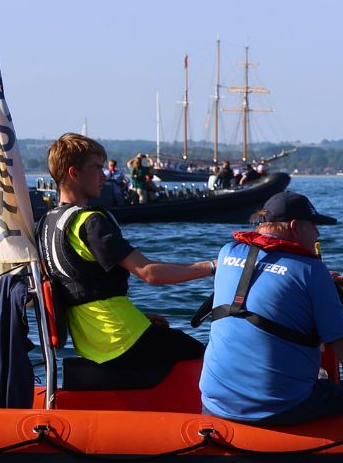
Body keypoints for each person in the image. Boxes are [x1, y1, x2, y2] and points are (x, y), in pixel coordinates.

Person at [199, 191, 343, 425]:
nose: (317, 233)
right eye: (314, 225)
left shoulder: (227, 253)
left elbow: (273, 276)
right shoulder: (311, 271)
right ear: (295, 227)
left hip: (215, 403)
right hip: (277, 408)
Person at [39, 133, 217, 376]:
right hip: (120, 339)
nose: (104, 176)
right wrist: (213, 267)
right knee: (209, 355)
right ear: (74, 173)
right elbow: (149, 273)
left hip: (91, 343)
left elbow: (82, 288)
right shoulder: (90, 222)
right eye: (97, 169)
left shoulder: (48, 223)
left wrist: (140, 317)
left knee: (165, 334)